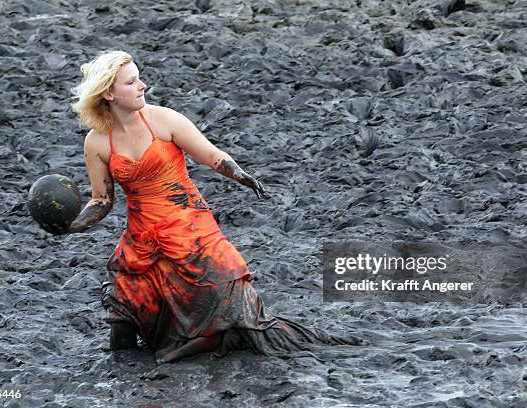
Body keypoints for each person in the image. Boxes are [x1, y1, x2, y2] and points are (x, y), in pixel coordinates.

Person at [67, 50, 363, 363]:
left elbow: (211, 155)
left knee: (230, 297)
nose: (142, 86)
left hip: (190, 227)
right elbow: (102, 200)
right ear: (109, 93)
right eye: (131, 82)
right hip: (143, 240)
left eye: (139, 78)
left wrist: (241, 175)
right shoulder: (97, 142)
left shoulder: (165, 120)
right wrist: (72, 225)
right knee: (125, 316)